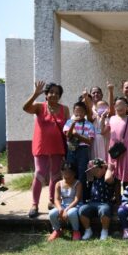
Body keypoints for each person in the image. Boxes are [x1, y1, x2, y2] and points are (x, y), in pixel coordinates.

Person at [23, 81, 70, 218]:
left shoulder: (64, 109)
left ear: (60, 95)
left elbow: (67, 127)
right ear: (46, 94)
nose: (54, 94)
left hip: (57, 146)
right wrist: (35, 94)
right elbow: (25, 108)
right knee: (39, 173)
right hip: (41, 145)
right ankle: (34, 204)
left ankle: (51, 200)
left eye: (57, 93)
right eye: (51, 92)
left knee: (55, 174)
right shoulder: (39, 107)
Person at [107, 97, 128, 191]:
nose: (120, 107)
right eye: (118, 105)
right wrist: (102, 119)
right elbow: (103, 131)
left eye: (123, 104)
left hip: (126, 149)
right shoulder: (111, 118)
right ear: (114, 107)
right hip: (114, 149)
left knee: (127, 174)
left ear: (127, 106)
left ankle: (127, 199)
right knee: (113, 175)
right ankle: (117, 200)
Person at [80, 159, 115, 240]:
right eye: (92, 171)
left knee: (104, 210)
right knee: (82, 209)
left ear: (103, 168)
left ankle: (104, 231)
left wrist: (109, 168)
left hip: (105, 203)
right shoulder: (94, 178)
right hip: (93, 202)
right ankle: (88, 230)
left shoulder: (108, 176)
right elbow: (88, 177)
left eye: (95, 170)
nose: (93, 172)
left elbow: (108, 179)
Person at [48, 162, 82, 241]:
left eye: (69, 177)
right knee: (52, 213)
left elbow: (76, 199)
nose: (67, 179)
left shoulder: (78, 184)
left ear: (74, 174)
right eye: (65, 177)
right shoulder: (58, 184)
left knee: (71, 213)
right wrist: (60, 208)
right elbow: (56, 199)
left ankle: (76, 231)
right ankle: (57, 230)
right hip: (63, 205)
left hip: (74, 205)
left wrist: (66, 210)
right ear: (62, 173)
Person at [63, 101, 95, 186]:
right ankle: (71, 195)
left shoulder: (89, 125)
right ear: (73, 112)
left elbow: (89, 141)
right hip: (71, 149)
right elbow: (68, 136)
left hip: (83, 151)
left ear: (85, 113)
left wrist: (77, 135)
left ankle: (82, 197)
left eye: (81, 111)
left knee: (82, 173)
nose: (78, 113)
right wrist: (73, 124)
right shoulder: (69, 122)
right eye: (76, 111)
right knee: (70, 171)